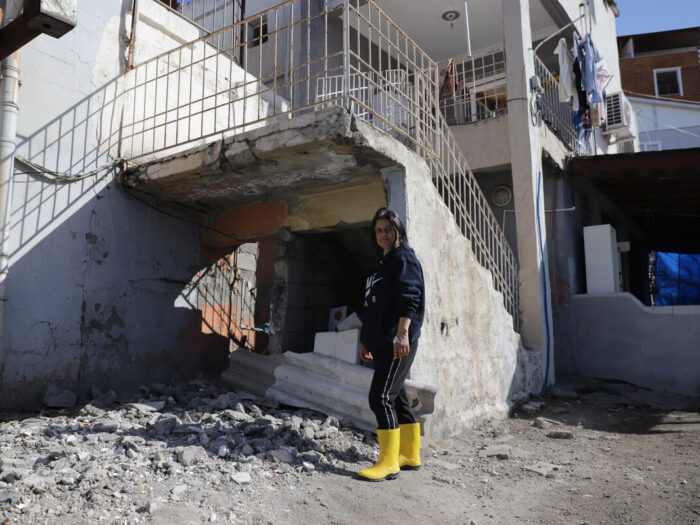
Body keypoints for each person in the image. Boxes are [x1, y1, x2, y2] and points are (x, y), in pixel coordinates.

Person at [357, 207, 425, 481]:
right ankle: (409, 455)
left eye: (388, 229)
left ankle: (388, 462)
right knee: (395, 396)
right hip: (382, 341)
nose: (383, 234)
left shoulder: (403, 258)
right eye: (378, 230)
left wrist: (402, 333)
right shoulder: (382, 264)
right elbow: (372, 306)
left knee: (380, 397)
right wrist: (366, 339)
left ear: (398, 231)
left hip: (398, 341)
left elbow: (410, 297)